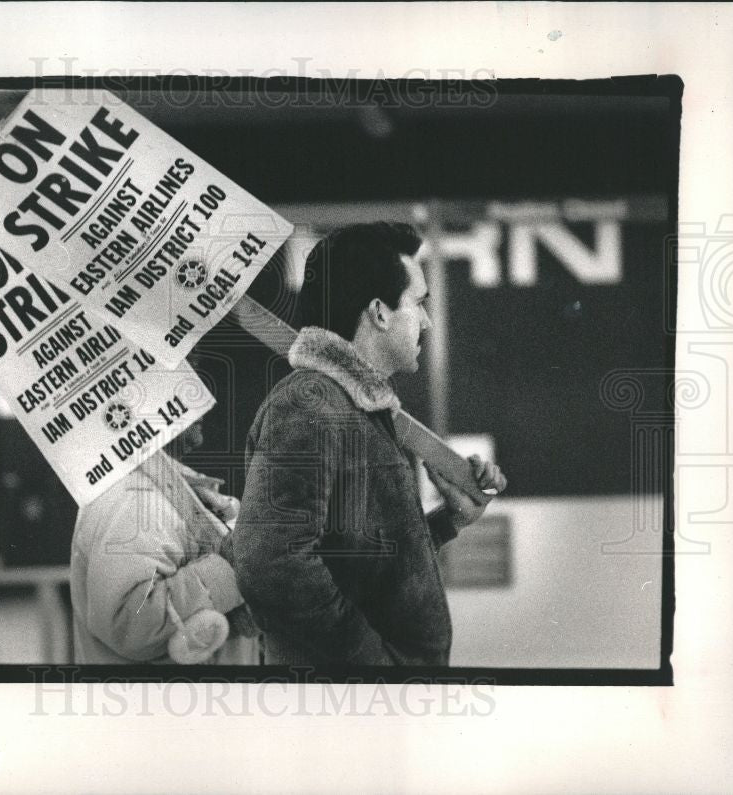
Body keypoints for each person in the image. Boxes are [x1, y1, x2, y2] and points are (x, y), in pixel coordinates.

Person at [228, 222, 507, 666]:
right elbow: (270, 564)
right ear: (379, 312)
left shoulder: (353, 409)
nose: (428, 321)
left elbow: (364, 563)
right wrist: (373, 665)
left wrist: (449, 521)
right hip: (347, 712)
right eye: (418, 304)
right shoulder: (309, 405)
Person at [70, 407, 258, 665]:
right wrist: (233, 566)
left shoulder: (153, 487)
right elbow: (129, 624)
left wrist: (233, 620)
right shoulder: (133, 497)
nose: (203, 396)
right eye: (183, 376)